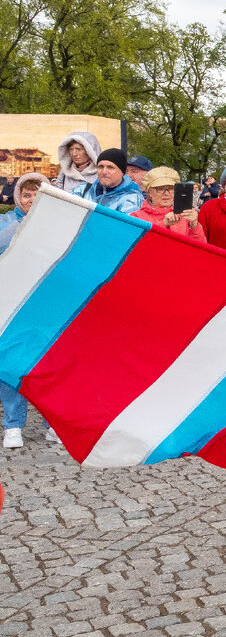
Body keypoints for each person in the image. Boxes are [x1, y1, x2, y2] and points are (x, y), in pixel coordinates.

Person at [0, 173, 61, 449]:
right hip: (11, 307)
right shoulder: (5, 223)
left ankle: (53, 423)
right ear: (18, 198)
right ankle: (13, 425)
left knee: (48, 367)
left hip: (48, 308)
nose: (32, 199)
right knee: (10, 367)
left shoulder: (60, 226)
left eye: (39, 194)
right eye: (26, 194)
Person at [132, 167, 206, 242]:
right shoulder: (136, 217)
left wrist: (194, 226)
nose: (166, 193)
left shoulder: (184, 215)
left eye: (171, 188)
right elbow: (137, 245)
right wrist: (163, 224)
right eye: (160, 189)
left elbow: (200, 248)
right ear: (149, 192)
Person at [71, 148, 144, 214]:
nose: (104, 172)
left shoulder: (132, 199)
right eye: (101, 167)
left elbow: (123, 227)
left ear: (122, 172)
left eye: (110, 167)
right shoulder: (82, 190)